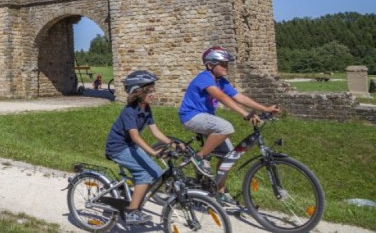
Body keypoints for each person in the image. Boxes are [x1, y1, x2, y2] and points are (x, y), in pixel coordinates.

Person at [178, 46, 280, 188]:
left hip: (206, 118)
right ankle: (200, 158)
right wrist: (245, 113)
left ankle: (219, 191)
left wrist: (265, 108)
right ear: (210, 65)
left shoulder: (222, 81)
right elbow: (221, 96)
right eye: (223, 64)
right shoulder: (204, 78)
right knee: (226, 127)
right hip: (191, 116)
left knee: (228, 156)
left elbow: (239, 97)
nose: (226, 67)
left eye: (227, 64)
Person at [105, 70, 180, 225]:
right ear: (138, 92)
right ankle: (132, 212)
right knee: (144, 175)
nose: (153, 94)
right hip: (118, 148)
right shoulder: (129, 111)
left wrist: (171, 144)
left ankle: (132, 195)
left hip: (129, 146)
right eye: (149, 91)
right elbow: (135, 136)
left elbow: (155, 131)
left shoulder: (146, 108)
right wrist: (153, 152)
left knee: (157, 172)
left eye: (153, 90)